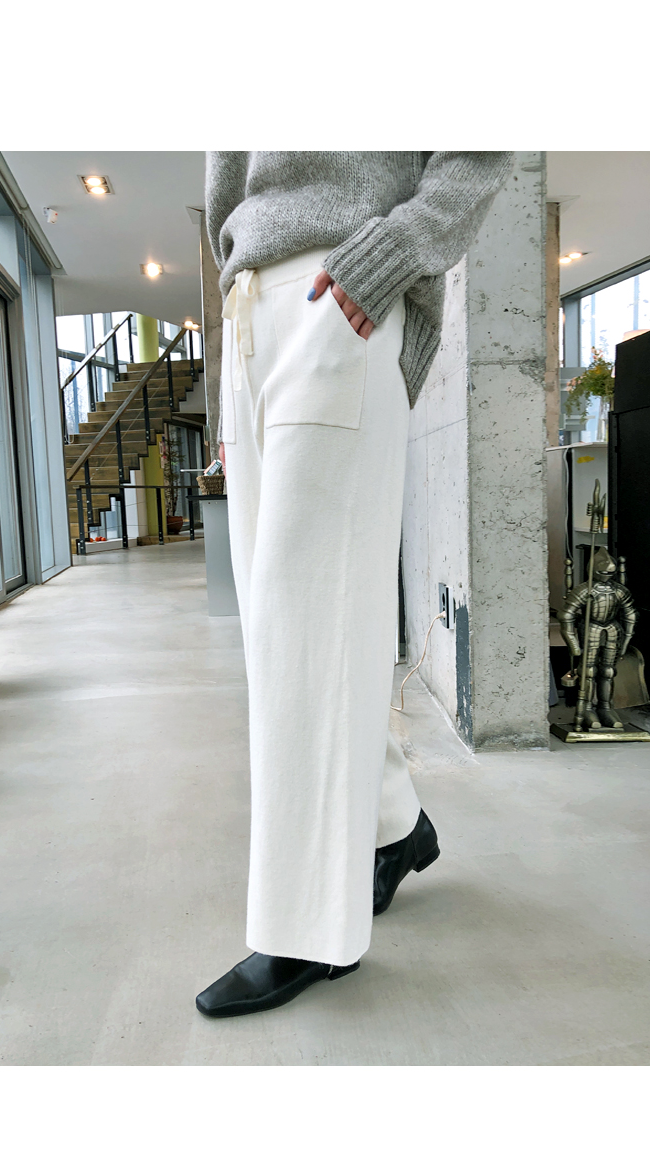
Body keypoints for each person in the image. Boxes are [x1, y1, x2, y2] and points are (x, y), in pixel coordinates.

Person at [196, 152, 513, 1018]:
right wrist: (229, 350)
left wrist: (395, 251)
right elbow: (225, 179)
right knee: (281, 637)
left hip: (340, 293)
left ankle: (305, 930)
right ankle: (392, 823)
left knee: (307, 632)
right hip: (248, 309)